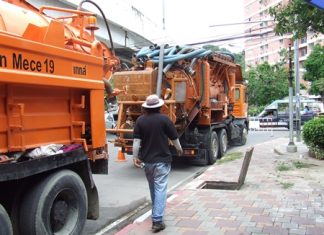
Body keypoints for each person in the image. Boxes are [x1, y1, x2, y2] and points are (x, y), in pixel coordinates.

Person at [132, 94, 183, 233]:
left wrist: (135, 157)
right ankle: (158, 221)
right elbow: (174, 137)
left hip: (147, 162)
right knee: (160, 189)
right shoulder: (165, 119)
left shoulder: (140, 121)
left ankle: (156, 213)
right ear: (160, 107)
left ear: (146, 107)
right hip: (162, 161)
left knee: (153, 188)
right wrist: (179, 149)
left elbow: (136, 142)